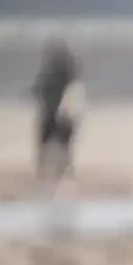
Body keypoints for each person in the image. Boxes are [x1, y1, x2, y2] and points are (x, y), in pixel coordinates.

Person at [31, 39, 84, 188]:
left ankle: (51, 171)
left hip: (57, 112)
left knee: (50, 143)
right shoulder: (67, 73)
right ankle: (60, 171)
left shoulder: (54, 74)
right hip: (60, 113)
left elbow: (40, 90)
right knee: (61, 144)